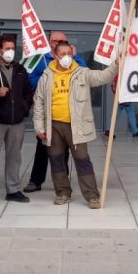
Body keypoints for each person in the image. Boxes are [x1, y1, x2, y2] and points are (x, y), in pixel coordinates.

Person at [32, 41, 119, 208]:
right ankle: (63, 193)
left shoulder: (83, 73)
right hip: (53, 126)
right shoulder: (46, 76)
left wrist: (116, 64)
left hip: (76, 126)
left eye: (69, 54)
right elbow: (39, 102)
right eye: (62, 54)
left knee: (82, 160)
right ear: (55, 55)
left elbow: (103, 77)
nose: (66, 57)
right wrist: (39, 127)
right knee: (56, 159)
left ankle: (92, 196)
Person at [24, 31, 86, 193]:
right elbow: (30, 80)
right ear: (49, 41)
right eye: (55, 40)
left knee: (64, 150)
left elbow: (85, 76)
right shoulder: (40, 59)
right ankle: (35, 181)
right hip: (46, 113)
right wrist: (48, 79)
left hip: (67, 113)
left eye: (63, 41)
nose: (58, 43)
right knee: (43, 148)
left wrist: (76, 57)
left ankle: (62, 181)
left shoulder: (73, 59)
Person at [0, 34, 33, 203]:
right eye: (7, 49)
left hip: (16, 121)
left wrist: (24, 109)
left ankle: (13, 189)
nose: (10, 52)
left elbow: (28, 92)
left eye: (12, 48)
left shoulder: (20, 69)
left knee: (14, 157)